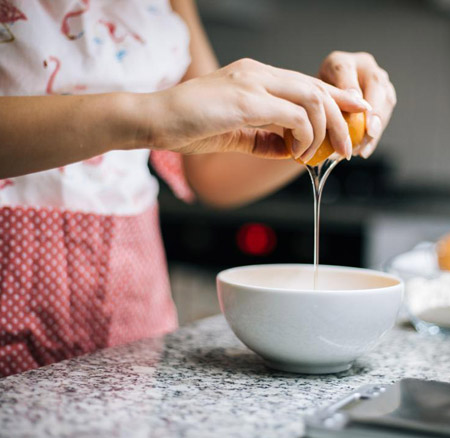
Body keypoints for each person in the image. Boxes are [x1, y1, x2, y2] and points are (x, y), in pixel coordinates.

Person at [0, 0, 396, 377]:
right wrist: (148, 116)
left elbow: (210, 168)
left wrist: (313, 115)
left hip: (130, 294)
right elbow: (165, 119)